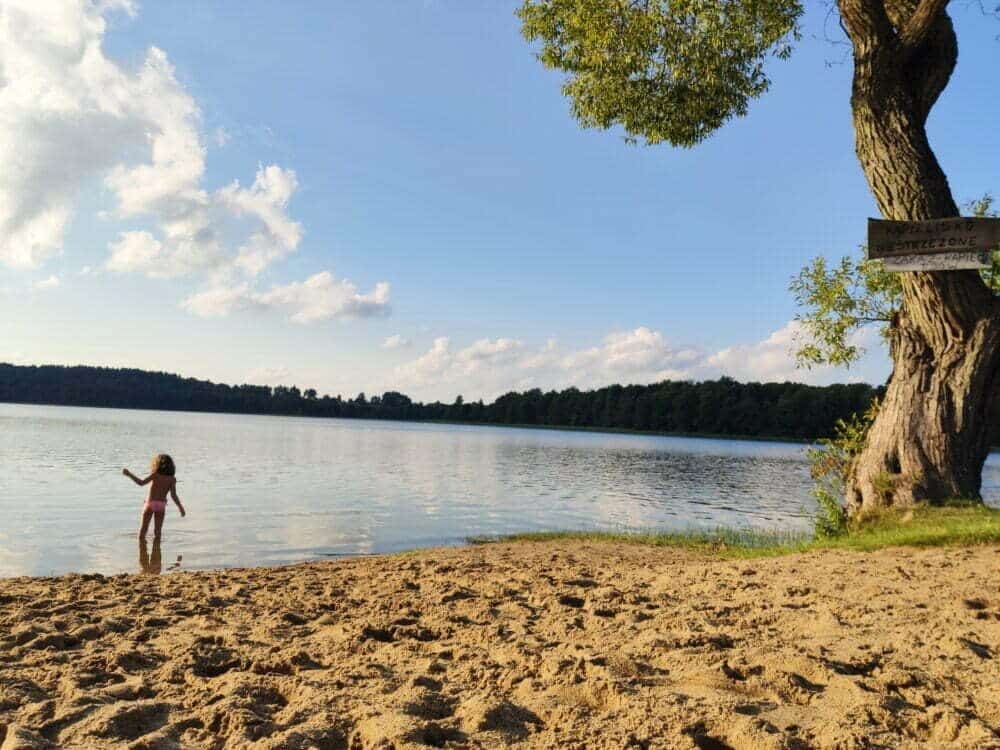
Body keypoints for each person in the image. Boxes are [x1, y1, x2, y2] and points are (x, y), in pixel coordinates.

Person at [123, 454, 185, 541]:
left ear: (156, 464)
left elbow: (141, 483)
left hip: (150, 503)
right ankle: (157, 550)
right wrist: (180, 507)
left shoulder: (155, 475)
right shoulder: (172, 479)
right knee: (158, 531)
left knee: (143, 530)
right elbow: (173, 495)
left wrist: (129, 474)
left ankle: (142, 549)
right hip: (161, 505)